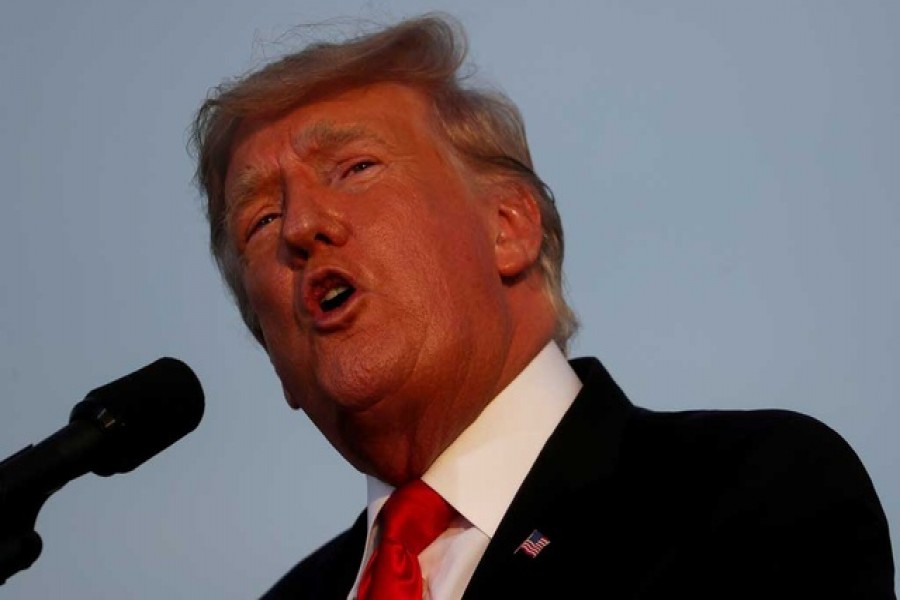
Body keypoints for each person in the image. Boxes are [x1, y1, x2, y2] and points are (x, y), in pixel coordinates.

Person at [191, 14, 895, 599]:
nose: (300, 227)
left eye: (355, 168)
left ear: (509, 227)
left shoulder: (744, 493)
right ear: (273, 353)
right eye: (259, 220)